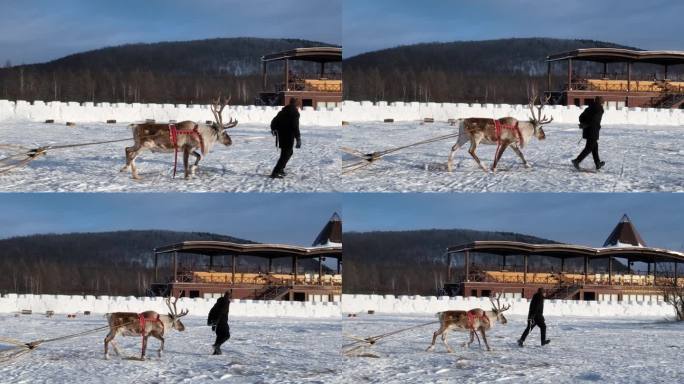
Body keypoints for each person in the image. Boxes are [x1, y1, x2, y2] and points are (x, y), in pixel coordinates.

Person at [269, 97, 301, 178]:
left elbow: (273, 121)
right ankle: (275, 172)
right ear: (296, 104)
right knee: (285, 155)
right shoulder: (294, 112)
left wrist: (273, 129)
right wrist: (298, 138)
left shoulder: (283, 111)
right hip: (288, 137)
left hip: (281, 136)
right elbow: (295, 126)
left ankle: (280, 169)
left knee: (287, 153)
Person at [572, 96, 605, 170]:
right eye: (602, 102)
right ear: (600, 102)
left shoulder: (588, 108)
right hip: (593, 131)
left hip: (587, 130)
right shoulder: (599, 109)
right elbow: (594, 120)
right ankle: (577, 161)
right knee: (589, 148)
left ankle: (597, 163)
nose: (603, 103)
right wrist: (587, 124)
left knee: (594, 146)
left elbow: (580, 117)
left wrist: (583, 124)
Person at [207, 291, 231, 355]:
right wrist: (216, 322)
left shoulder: (218, 303)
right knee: (227, 335)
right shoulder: (225, 302)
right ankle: (217, 346)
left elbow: (213, 311)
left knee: (219, 336)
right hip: (222, 321)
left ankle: (216, 352)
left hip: (217, 322)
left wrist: (214, 324)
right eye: (229, 295)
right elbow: (220, 313)